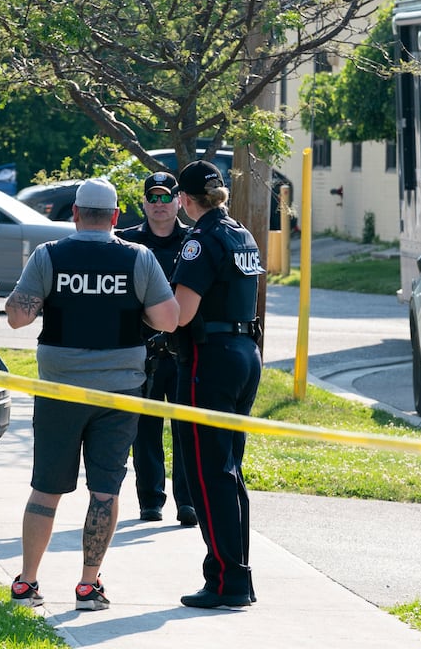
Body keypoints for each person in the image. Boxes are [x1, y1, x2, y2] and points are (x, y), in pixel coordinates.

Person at [4, 177, 179, 611]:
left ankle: (28, 583)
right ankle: (88, 586)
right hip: (119, 394)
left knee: (46, 488)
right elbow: (169, 319)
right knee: (105, 489)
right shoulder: (138, 258)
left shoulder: (49, 256)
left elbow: (16, 319)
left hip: (59, 391)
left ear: (75, 214)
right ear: (117, 217)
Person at [169, 159, 265, 609]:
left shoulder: (200, 241)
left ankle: (228, 581)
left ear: (185, 200)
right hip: (246, 353)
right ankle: (233, 574)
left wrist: (147, 315)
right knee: (228, 470)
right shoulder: (240, 233)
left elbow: (181, 314)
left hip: (212, 359)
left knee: (208, 475)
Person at [117, 171, 197, 527]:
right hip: (143, 352)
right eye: (154, 198)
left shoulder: (195, 241)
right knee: (144, 432)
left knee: (186, 431)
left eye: (167, 197)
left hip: (184, 352)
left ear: (180, 201)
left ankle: (188, 503)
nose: (160, 204)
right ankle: (150, 501)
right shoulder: (127, 243)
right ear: (144, 202)